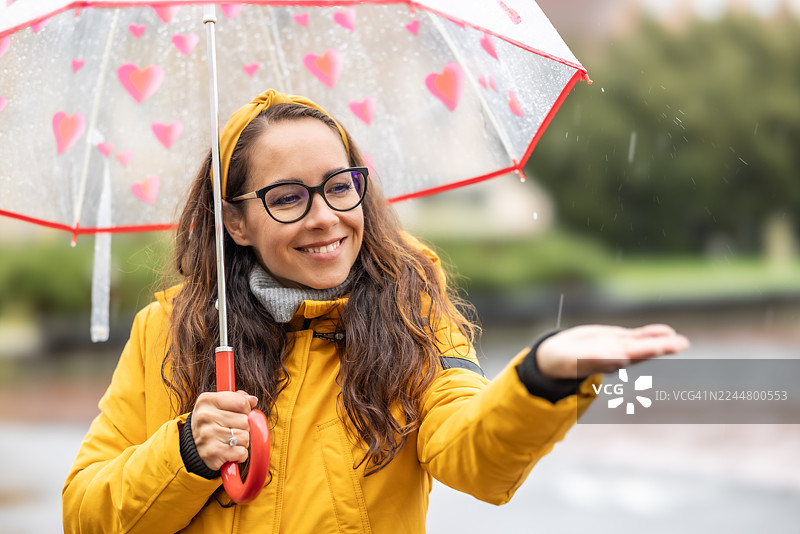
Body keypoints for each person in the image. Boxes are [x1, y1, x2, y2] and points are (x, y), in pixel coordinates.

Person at [62, 89, 689, 533]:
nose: (326, 217)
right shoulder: (169, 331)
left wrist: (542, 378)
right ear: (236, 221)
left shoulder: (410, 312)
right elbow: (84, 514)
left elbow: (476, 459)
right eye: (287, 197)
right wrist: (186, 454)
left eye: (340, 186)